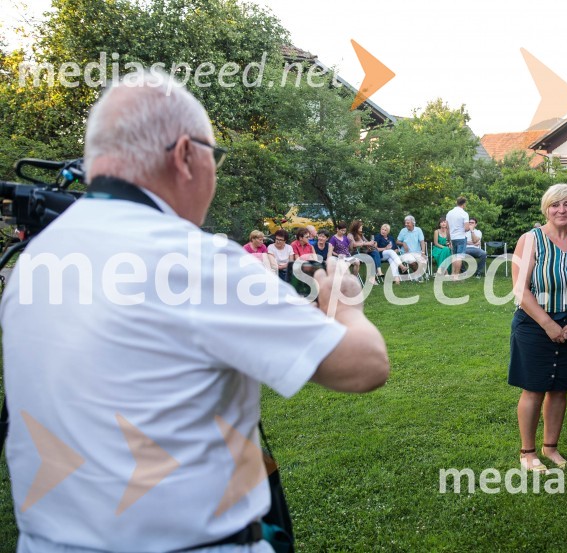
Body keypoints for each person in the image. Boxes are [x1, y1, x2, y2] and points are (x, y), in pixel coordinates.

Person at [0, 70, 389, 552]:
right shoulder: (192, 259)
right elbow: (364, 366)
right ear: (186, 155)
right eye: (215, 156)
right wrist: (344, 302)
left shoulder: (37, 257)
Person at [509, 184, 567, 472]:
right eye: (555, 205)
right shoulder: (531, 240)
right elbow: (520, 291)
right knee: (534, 389)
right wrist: (548, 324)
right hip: (535, 324)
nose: (561, 210)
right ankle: (527, 451)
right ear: (546, 209)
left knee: (560, 390)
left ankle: (550, 448)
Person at [348, 220, 382, 285]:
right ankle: (374, 275)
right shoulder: (350, 235)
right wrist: (364, 243)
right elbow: (354, 245)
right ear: (356, 227)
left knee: (375, 252)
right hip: (354, 254)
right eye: (360, 226)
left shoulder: (361, 235)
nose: (362, 227)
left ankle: (375, 275)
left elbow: (368, 242)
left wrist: (373, 243)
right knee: (370, 258)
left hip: (363, 252)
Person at [446, 196, 471, 280]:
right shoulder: (464, 213)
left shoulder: (449, 213)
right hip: (461, 237)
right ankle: (456, 276)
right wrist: (469, 228)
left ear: (457, 202)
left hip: (452, 238)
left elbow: (447, 228)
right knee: (459, 257)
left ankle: (453, 274)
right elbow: (466, 228)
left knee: (454, 256)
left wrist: (448, 239)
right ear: (464, 204)